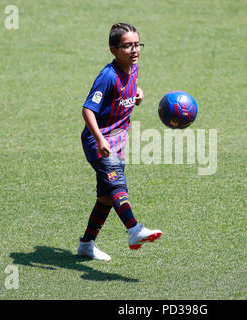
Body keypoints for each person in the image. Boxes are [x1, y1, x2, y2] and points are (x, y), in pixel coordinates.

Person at [77, 23, 162, 261]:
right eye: (127, 46)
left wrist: (138, 93)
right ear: (113, 50)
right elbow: (87, 110)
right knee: (117, 184)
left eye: (137, 45)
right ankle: (134, 228)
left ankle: (86, 244)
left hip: (119, 141)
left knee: (106, 197)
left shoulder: (133, 68)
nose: (134, 50)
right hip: (100, 142)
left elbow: (128, 87)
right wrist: (100, 139)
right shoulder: (107, 76)